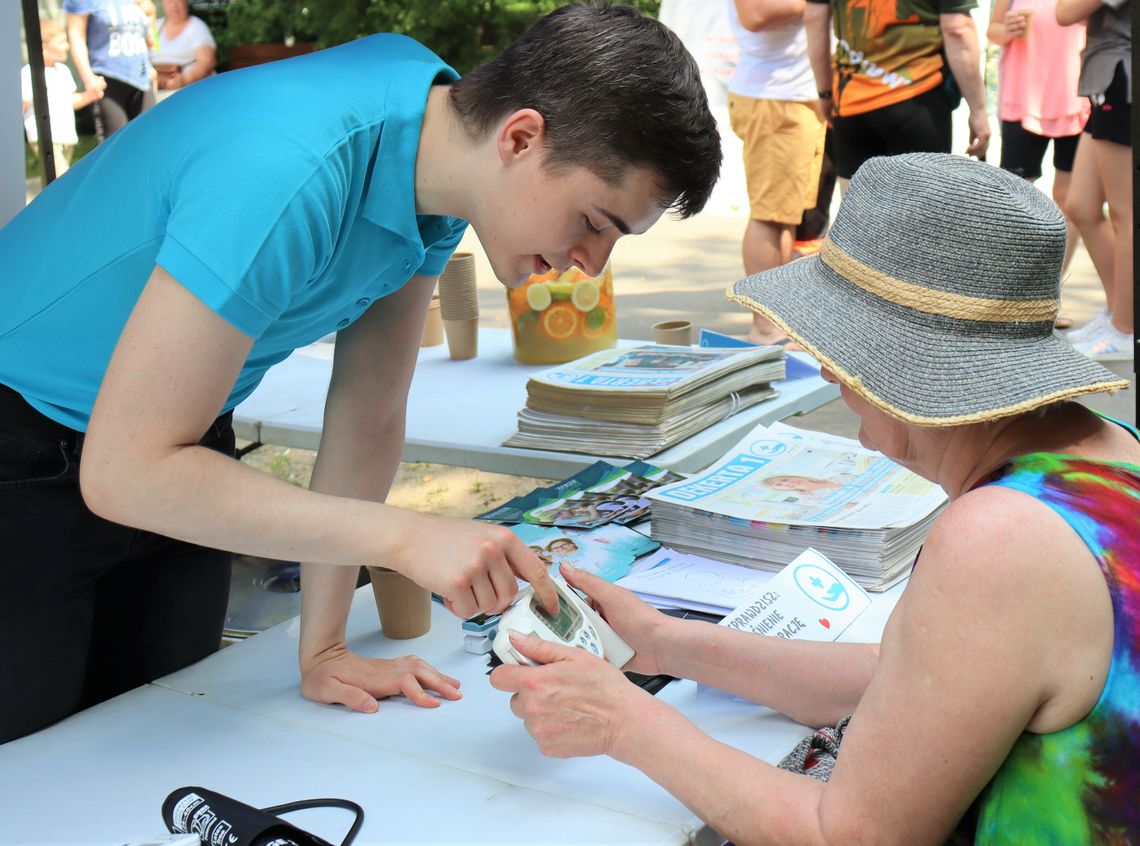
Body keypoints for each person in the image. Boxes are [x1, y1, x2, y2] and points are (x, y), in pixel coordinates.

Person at [0, 3, 722, 744]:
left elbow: (369, 412)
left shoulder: (436, 152)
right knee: (31, 774)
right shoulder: (288, 167)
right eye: (596, 223)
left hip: (174, 442)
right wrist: (402, 537)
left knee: (165, 735)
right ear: (521, 136)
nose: (591, 264)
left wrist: (325, 648)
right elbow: (124, 472)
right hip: (25, 441)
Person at [492, 153, 1137, 844]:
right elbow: (912, 683)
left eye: (838, 345)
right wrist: (661, 644)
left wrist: (622, 723)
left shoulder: (999, 538)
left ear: (902, 363)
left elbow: (851, 836)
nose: (827, 367)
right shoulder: (1112, 452)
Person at [803, 0, 991, 188]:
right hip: (917, 100)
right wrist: (978, 110)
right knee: (920, 213)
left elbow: (814, 18)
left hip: (852, 101)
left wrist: (825, 92)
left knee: (858, 212)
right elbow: (957, 30)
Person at [725, 0, 827, 345]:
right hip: (775, 96)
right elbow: (755, 14)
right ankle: (765, 327)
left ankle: (777, 321)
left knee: (784, 218)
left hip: (794, 96)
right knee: (770, 217)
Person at [987, 0, 1093, 277]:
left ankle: (1051, 290)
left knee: (1069, 201)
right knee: (1013, 199)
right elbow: (993, 31)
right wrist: (1005, 29)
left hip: (1077, 101)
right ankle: (1007, 289)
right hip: (1022, 100)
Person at [1057, 0, 1133, 361]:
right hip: (1106, 76)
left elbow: (1065, 11)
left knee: (1126, 213)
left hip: (1122, 76)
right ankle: (1120, 311)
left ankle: (1127, 328)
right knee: (1081, 206)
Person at [20, 17, 104, 176]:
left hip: (66, 135)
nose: (67, 46)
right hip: (45, 136)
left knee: (58, 181)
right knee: (62, 178)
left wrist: (90, 95)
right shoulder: (29, 73)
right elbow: (23, 104)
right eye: (61, 42)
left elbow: (70, 101)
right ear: (44, 47)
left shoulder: (63, 71)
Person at [64, 0, 155, 138]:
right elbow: (76, 36)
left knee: (150, 139)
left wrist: (152, 16)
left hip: (142, 78)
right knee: (115, 146)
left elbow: (152, 41)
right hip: (108, 78)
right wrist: (88, 77)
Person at [151, 0, 216, 92]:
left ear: (186, 2)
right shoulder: (154, 27)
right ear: (163, 3)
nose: (174, 5)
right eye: (169, 1)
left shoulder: (197, 26)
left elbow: (207, 62)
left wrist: (185, 80)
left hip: (189, 90)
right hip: (155, 89)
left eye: (178, 1)